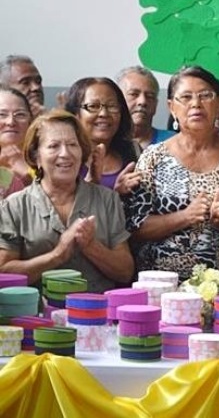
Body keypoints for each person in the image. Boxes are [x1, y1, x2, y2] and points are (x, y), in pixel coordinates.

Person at [125, 66, 219, 281]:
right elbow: (135, 226)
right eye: (185, 97)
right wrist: (184, 216)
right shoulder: (153, 157)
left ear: (217, 104)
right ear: (171, 108)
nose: (196, 104)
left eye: (205, 95)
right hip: (164, 285)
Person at [0, 110, 134, 292]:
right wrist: (57, 255)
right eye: (53, 146)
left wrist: (91, 246)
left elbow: (125, 271)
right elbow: (5, 273)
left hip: (96, 312)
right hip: (35, 314)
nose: (65, 154)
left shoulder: (106, 198)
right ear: (35, 156)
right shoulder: (14, 206)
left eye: (72, 145)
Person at [64, 77, 139, 193]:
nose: (104, 113)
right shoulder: (63, 156)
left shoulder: (134, 152)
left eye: (112, 106)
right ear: (75, 114)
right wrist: (115, 194)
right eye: (93, 106)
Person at [116, 66, 174, 151]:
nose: (142, 101)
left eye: (149, 96)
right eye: (134, 94)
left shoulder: (174, 142)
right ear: (117, 100)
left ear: (155, 104)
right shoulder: (106, 143)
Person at [0, 86, 34, 198]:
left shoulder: (47, 159)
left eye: (20, 114)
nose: (10, 122)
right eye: (2, 115)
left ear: (31, 120)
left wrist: (26, 172)